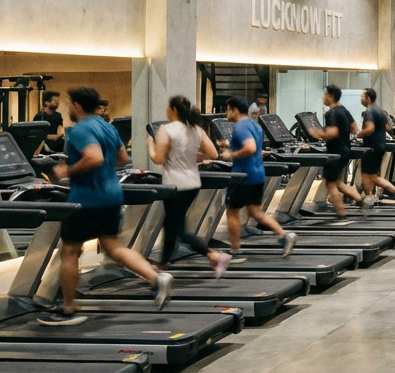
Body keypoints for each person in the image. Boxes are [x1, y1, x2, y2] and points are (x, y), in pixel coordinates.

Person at [39, 87, 170, 325]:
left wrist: (68, 171)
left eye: (69, 104)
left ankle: (68, 308)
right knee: (112, 247)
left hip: (87, 199)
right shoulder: (108, 127)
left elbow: (94, 157)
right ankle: (156, 278)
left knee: (70, 251)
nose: (67, 108)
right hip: (112, 195)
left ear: (77, 105)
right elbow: (122, 159)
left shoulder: (80, 129)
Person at [148, 96, 231, 276]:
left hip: (175, 185)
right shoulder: (196, 129)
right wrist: (193, 157)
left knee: (179, 229)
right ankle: (163, 263)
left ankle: (213, 255)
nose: (166, 110)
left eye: (168, 107)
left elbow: (159, 159)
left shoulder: (166, 129)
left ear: (174, 109)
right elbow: (213, 154)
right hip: (193, 183)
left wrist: (150, 145)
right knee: (170, 223)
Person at [220, 96, 296, 257]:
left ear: (234, 109)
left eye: (227, 109)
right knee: (255, 213)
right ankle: (284, 235)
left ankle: (234, 249)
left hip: (242, 176)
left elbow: (250, 147)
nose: (226, 113)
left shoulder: (240, 126)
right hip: (257, 175)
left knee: (232, 211)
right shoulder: (254, 125)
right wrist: (228, 145)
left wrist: (230, 155)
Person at [307, 85, 366, 216]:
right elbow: (354, 128)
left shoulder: (331, 113)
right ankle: (360, 200)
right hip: (345, 149)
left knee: (330, 184)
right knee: (336, 181)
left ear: (330, 96)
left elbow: (333, 132)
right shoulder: (344, 110)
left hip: (336, 151)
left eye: (325, 95)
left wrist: (318, 134)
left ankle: (341, 213)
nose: (323, 98)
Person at [356, 88, 395, 205]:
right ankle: (369, 198)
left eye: (362, 97)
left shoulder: (370, 111)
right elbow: (388, 127)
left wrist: (359, 134)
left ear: (368, 98)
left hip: (371, 147)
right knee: (367, 175)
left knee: (372, 176)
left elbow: (370, 128)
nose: (360, 99)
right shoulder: (380, 110)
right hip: (380, 146)